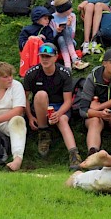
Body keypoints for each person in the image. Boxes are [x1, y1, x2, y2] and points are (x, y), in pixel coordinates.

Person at [23, 43, 83, 171]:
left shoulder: (64, 73)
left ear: (55, 57)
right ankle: (43, 131)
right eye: (42, 56)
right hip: (40, 106)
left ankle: (74, 154)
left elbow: (68, 101)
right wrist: (29, 117)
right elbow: (25, 98)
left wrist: (59, 113)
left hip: (60, 106)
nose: (45, 59)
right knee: (40, 95)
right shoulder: (31, 73)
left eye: (48, 56)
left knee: (62, 120)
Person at [79, 48, 111, 155]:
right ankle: (93, 155)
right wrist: (99, 113)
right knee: (94, 120)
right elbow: (83, 110)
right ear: (104, 63)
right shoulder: (92, 78)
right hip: (97, 117)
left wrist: (99, 107)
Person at [49, 0, 89, 70]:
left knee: (66, 30)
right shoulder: (52, 18)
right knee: (60, 38)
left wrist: (69, 26)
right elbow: (51, 37)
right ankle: (73, 62)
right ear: (64, 10)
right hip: (57, 45)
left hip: (70, 42)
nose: (72, 9)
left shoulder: (72, 16)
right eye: (70, 8)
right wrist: (56, 31)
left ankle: (69, 64)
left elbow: (72, 36)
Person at [18, 6, 55, 76]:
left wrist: (42, 40)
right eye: (45, 18)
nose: (48, 21)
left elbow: (51, 44)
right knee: (33, 40)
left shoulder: (48, 30)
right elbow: (21, 45)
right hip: (29, 53)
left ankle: (38, 66)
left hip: (44, 53)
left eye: (48, 19)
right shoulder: (27, 29)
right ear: (37, 19)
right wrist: (32, 39)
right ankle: (29, 69)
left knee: (36, 41)